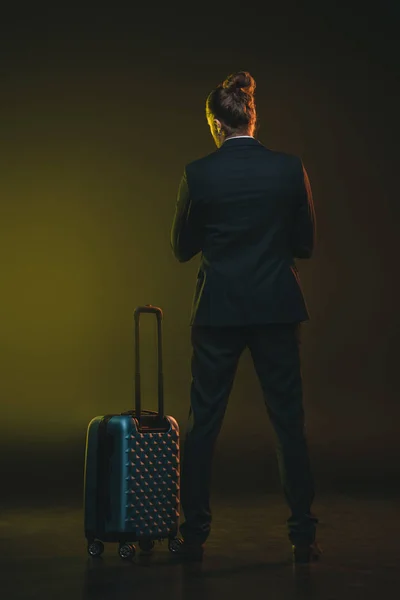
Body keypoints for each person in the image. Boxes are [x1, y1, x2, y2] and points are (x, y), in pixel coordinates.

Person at [170, 70, 321, 564]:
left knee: (203, 424)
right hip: (276, 308)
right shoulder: (290, 168)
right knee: (288, 424)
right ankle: (303, 537)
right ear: (254, 118)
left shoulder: (198, 174)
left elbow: (181, 249)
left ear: (216, 124)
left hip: (218, 311)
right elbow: (305, 244)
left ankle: (193, 536)